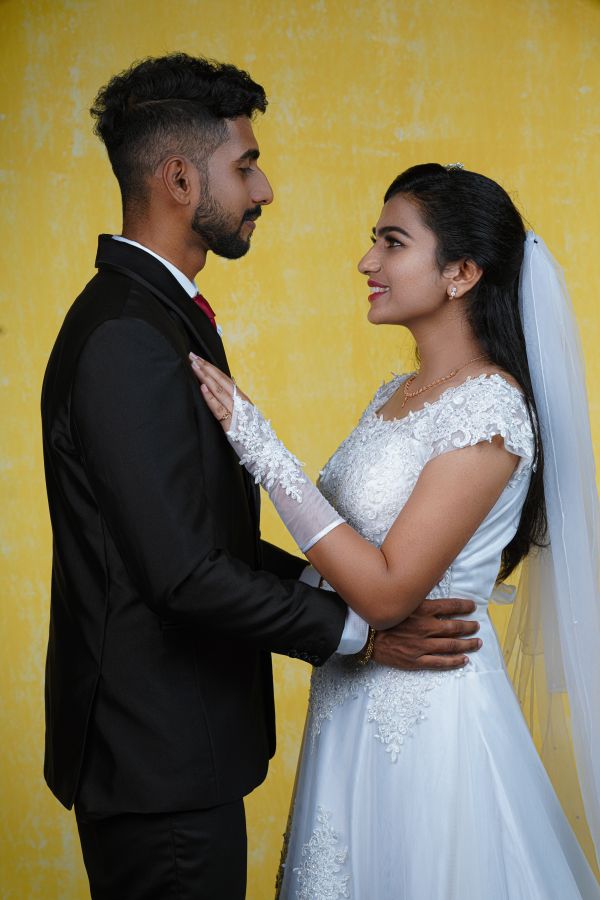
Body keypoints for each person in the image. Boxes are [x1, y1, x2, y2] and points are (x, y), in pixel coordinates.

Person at [40, 57, 481, 899]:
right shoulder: (130, 336)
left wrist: (350, 593)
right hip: (156, 761)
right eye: (244, 164)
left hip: (175, 754)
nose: (265, 186)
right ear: (177, 178)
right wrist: (363, 633)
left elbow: (204, 540)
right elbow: (183, 573)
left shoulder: (157, 318)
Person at [192, 163, 600, 897]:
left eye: (392, 243)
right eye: (373, 241)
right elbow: (338, 564)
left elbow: (384, 592)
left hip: (429, 726)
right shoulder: (396, 396)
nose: (367, 262)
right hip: (349, 704)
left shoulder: (490, 413)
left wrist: (256, 442)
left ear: (462, 273)